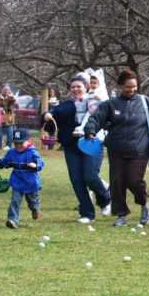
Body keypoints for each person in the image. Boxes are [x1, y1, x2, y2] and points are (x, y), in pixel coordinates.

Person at [85, 69, 149, 227]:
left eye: (134, 86)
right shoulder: (110, 104)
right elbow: (95, 119)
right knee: (117, 183)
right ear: (120, 86)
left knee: (134, 181)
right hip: (116, 150)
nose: (131, 90)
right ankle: (121, 215)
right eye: (128, 87)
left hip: (139, 150)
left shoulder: (144, 102)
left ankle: (145, 205)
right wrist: (90, 131)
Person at [44, 74, 112, 224]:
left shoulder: (96, 101)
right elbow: (53, 113)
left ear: (86, 87)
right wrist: (47, 115)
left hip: (91, 143)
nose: (76, 89)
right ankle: (87, 213)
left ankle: (106, 198)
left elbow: (107, 114)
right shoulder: (66, 105)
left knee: (90, 176)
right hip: (71, 146)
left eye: (79, 86)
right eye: (73, 87)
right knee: (77, 180)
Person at [0, 128, 43, 229]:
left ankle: (35, 209)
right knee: (15, 201)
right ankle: (13, 220)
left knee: (32, 202)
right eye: (16, 143)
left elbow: (41, 163)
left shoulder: (32, 152)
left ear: (29, 141)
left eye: (21, 143)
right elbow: (5, 162)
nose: (18, 146)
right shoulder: (11, 152)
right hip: (17, 181)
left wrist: (35, 165)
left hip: (31, 183)